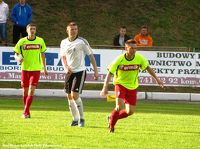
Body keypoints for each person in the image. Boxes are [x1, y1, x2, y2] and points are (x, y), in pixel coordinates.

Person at [100, 39, 164, 133]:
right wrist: (104, 88)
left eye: (135, 48)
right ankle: (112, 127)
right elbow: (109, 74)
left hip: (133, 87)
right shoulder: (119, 59)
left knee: (130, 112)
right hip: (120, 84)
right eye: (131, 48)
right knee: (119, 106)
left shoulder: (139, 58)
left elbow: (148, 68)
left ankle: (112, 117)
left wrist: (157, 79)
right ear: (126, 48)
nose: (134, 50)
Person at [60, 21, 99, 127]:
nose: (74, 31)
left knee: (75, 95)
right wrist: (66, 67)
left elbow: (91, 56)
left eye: (75, 29)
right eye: (71, 29)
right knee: (69, 96)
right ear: (67, 30)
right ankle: (74, 119)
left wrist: (96, 71)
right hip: (69, 72)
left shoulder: (82, 42)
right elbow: (63, 56)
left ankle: (82, 119)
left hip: (80, 71)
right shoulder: (63, 42)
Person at [14, 23, 48, 118]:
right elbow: (16, 53)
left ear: (35, 30)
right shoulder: (22, 41)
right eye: (30, 29)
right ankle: (27, 111)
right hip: (25, 69)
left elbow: (42, 54)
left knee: (31, 91)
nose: (32, 30)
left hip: (36, 69)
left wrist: (44, 67)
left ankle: (25, 112)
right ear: (27, 30)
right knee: (25, 91)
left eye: (34, 29)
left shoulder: (40, 41)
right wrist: (18, 58)